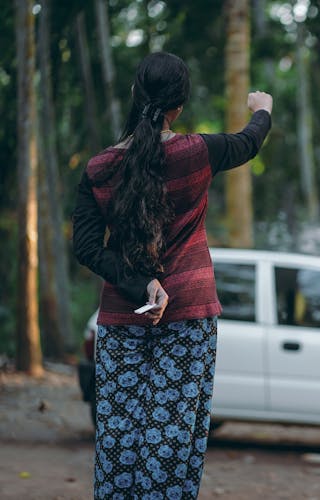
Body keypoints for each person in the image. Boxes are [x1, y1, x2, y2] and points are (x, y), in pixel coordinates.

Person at [72, 52, 272, 498]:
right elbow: (250, 140)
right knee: (172, 441)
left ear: (133, 94)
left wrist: (140, 283)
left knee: (118, 442)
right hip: (189, 319)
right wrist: (263, 109)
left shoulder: (100, 168)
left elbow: (87, 248)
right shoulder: (199, 153)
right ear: (179, 105)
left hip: (122, 320)